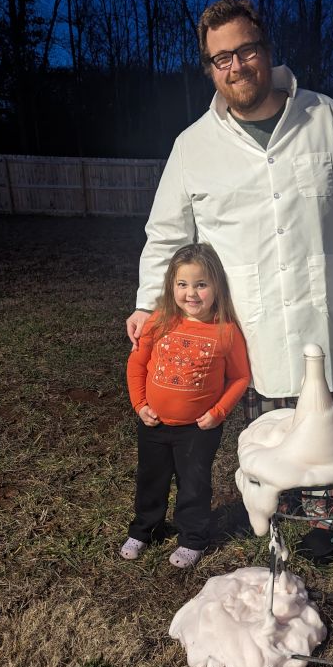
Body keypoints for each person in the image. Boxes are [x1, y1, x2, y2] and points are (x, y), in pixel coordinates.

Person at [126, 0, 333, 547]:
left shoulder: (327, 118)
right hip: (247, 313)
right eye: (222, 58)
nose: (236, 65)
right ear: (210, 68)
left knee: (324, 409)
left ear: (266, 50)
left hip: (318, 300)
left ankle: (325, 520)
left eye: (246, 50)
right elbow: (167, 231)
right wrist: (150, 303)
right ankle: (273, 513)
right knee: (263, 422)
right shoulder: (194, 146)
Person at [121, 243, 250, 568]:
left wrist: (218, 412)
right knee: (152, 478)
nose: (191, 293)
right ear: (171, 286)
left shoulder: (226, 332)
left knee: (194, 484)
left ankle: (193, 538)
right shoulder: (159, 321)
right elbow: (136, 365)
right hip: (153, 423)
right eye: (182, 284)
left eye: (201, 284)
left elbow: (240, 378)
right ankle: (144, 529)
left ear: (217, 287)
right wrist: (139, 404)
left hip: (198, 429)